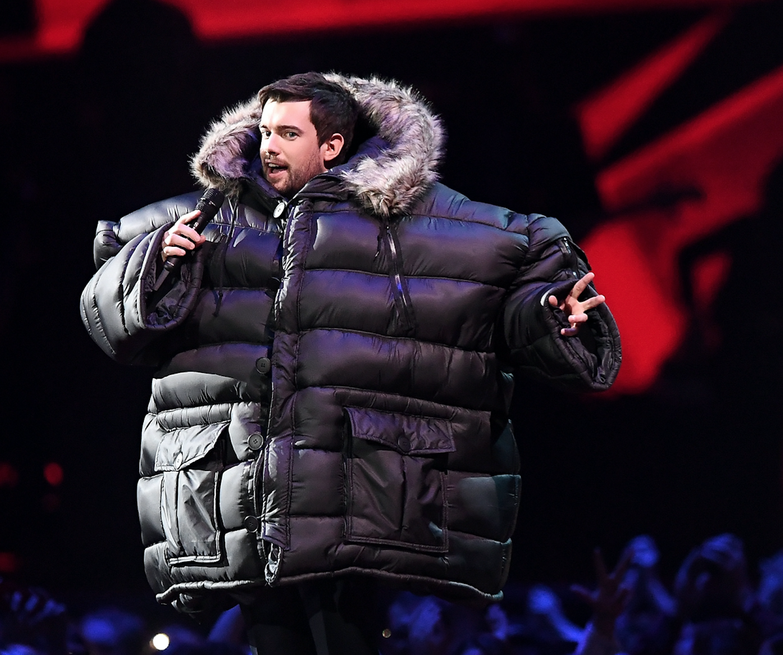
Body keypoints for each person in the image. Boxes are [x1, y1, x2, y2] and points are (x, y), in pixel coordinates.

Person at [80, 72, 621, 653]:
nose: (268, 146)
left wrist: (549, 314)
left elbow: (501, 288)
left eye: (288, 133)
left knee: (344, 630)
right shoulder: (205, 221)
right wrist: (154, 264)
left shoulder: (426, 223)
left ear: (332, 145)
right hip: (240, 490)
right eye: (264, 131)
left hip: (359, 494)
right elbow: (108, 317)